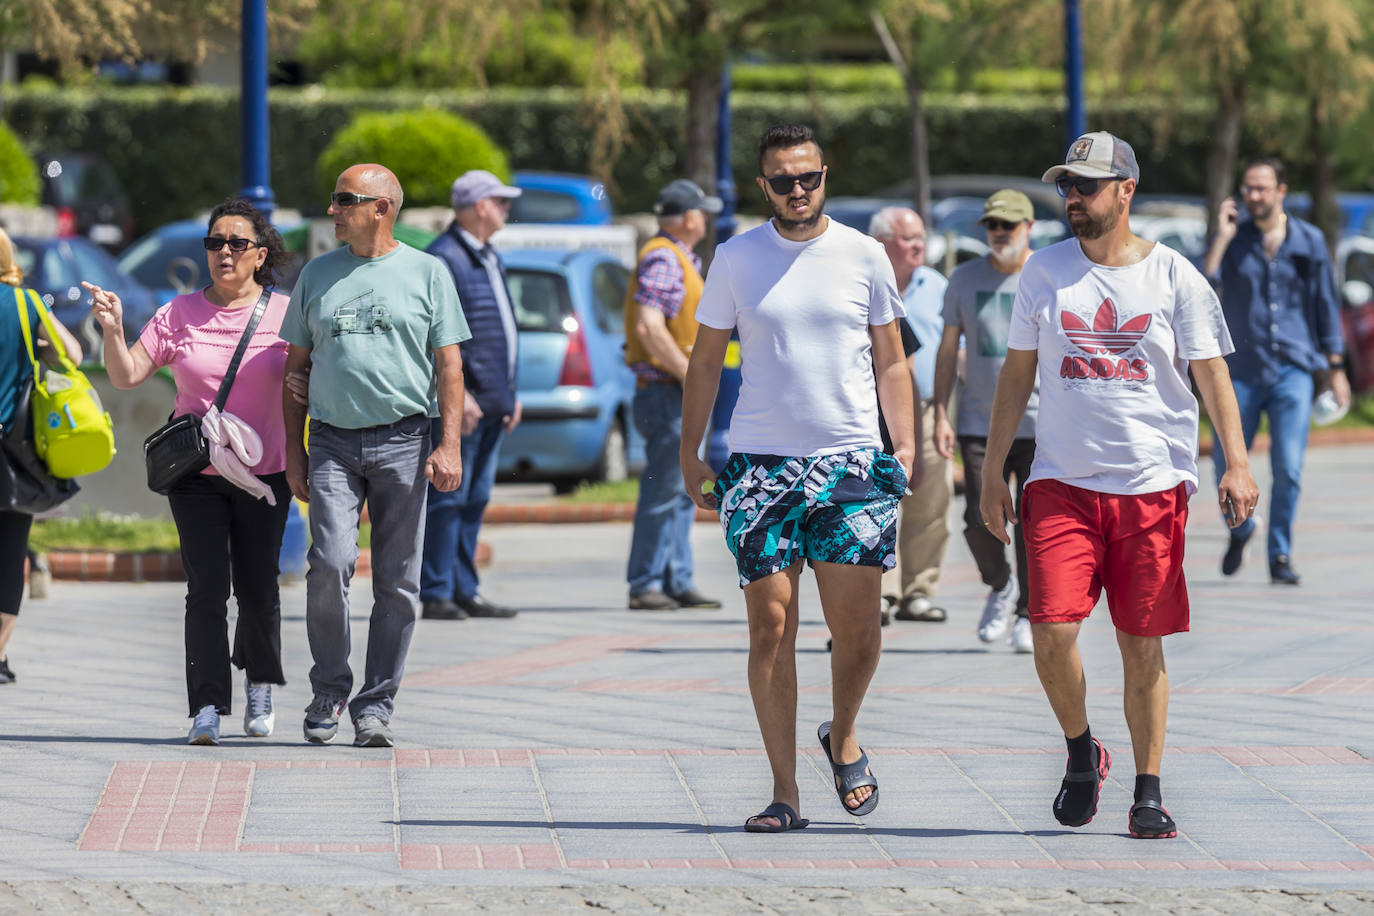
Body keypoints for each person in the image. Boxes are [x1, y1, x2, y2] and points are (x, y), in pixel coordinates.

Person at [980, 131, 1258, 839]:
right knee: (1049, 632)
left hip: (1150, 487)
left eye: (1088, 186)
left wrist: (1236, 462)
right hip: (1060, 483)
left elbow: (1212, 372)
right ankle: (1081, 752)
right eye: (1067, 186)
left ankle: (1148, 790)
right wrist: (989, 471)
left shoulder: (1174, 277)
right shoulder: (1042, 273)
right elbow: (1017, 375)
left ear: (1126, 190)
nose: (1073, 198)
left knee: (1142, 643)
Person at [681, 124, 915, 832]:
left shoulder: (864, 255)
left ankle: (842, 735)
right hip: (762, 468)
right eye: (782, 180)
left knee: (860, 635)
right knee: (770, 629)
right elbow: (703, 358)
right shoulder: (736, 258)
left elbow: (892, 358)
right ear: (764, 186)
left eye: (807, 177)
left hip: (851, 464)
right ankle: (785, 791)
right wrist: (691, 450)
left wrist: (902, 447)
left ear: (824, 175)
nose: (796, 191)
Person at [89, 198, 293, 745]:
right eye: (214, 243)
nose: (224, 252)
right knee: (206, 589)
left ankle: (260, 683)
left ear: (260, 253)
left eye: (237, 243)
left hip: (266, 474)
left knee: (258, 588)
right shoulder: (178, 313)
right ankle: (205, 705)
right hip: (196, 475)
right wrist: (111, 328)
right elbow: (129, 373)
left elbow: (311, 383)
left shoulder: (287, 313)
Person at [280, 164, 469, 748]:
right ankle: (329, 688)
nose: (333, 209)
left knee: (398, 582)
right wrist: (294, 451)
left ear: (382, 207)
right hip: (333, 442)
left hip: (406, 442)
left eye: (344, 200)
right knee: (330, 564)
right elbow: (294, 370)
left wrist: (449, 443)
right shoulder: (317, 274)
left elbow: (450, 367)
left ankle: (375, 705)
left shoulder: (428, 272)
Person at [1202, 156, 1350, 584]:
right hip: (1241, 371)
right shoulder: (1232, 239)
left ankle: (1280, 555)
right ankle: (1242, 528)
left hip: (1293, 370)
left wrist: (1335, 367)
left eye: (1262, 188)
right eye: (1248, 188)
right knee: (1225, 463)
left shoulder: (1309, 241)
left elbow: (1325, 304)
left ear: (1281, 191)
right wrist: (1221, 238)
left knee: (1288, 466)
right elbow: (1202, 289)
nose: (1253, 196)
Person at [932, 190, 1040, 652]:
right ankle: (1000, 585)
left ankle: (1028, 614)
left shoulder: (1047, 275)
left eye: (1009, 226)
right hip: (980, 421)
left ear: (1029, 227)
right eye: (992, 225)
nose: (999, 234)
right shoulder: (963, 278)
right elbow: (945, 349)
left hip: (1042, 423)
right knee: (980, 520)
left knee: (1036, 525)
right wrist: (940, 410)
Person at [419, 170, 523, 621]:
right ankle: (437, 590)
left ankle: (464, 588)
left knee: (475, 498)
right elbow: (438, 338)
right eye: (501, 202)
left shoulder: (485, 255)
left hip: (492, 404)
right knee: (448, 498)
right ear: (480, 206)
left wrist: (509, 393)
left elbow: (497, 331)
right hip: (465, 406)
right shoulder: (444, 258)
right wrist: (459, 399)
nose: (506, 209)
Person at [624, 178, 724, 612]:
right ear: (688, 218)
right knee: (664, 489)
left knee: (682, 487)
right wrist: (689, 376)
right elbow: (649, 324)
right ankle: (647, 582)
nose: (704, 219)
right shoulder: (666, 258)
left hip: (669, 391)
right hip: (667, 391)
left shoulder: (676, 257)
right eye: (701, 211)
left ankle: (676, 578)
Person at [0, 227, 83, 686]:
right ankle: (0, 654)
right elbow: (72, 353)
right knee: (11, 554)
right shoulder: (26, 304)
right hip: (13, 450)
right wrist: (41, 348)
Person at [868, 207, 950, 624]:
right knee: (876, 502)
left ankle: (919, 591)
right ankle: (882, 592)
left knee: (931, 503)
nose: (919, 244)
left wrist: (945, 415)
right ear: (882, 243)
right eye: (907, 238)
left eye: (921, 236)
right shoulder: (866, 283)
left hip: (930, 406)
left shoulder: (936, 286)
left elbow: (955, 351)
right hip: (869, 411)